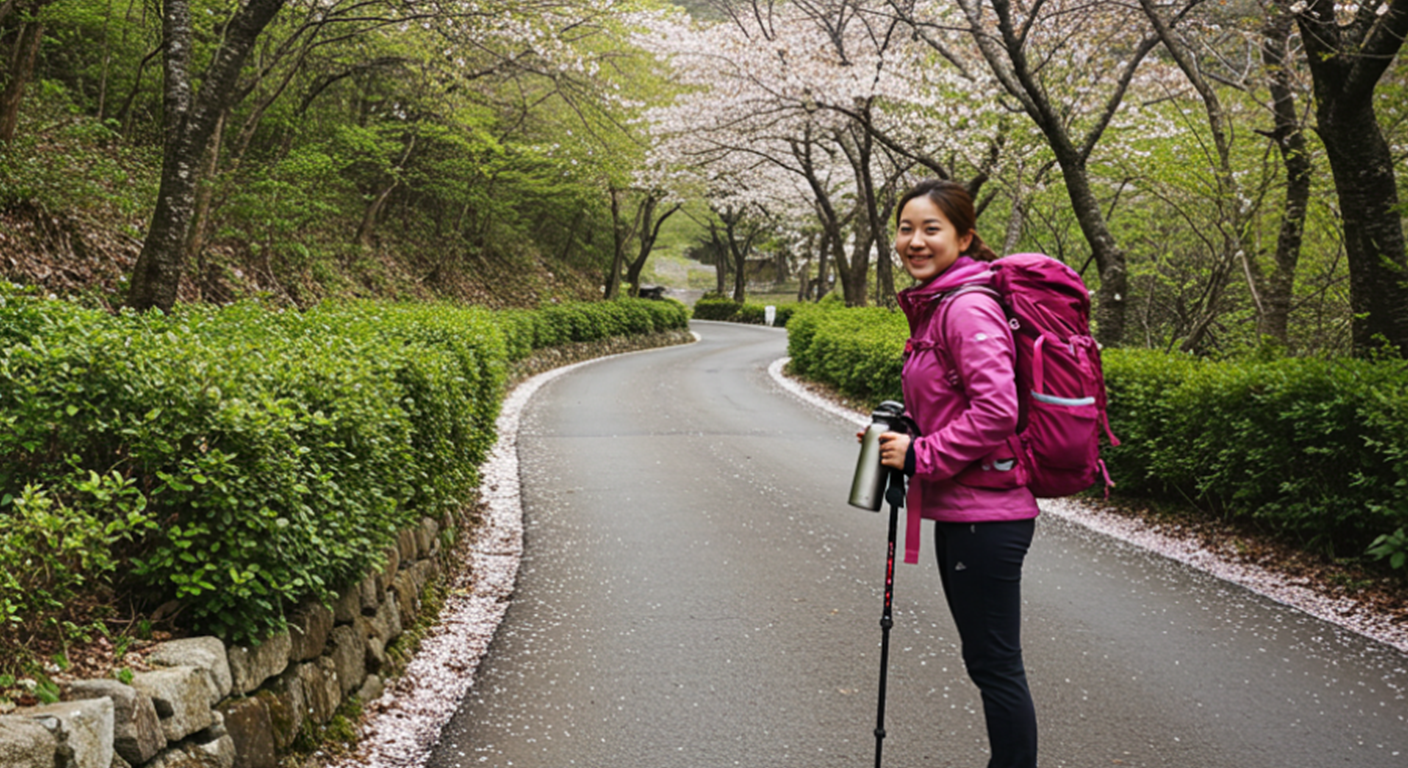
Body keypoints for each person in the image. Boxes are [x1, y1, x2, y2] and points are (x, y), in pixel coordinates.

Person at [874, 178, 1040, 768]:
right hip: (969, 510)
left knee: (996, 665)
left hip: (988, 515)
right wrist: (911, 435)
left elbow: (998, 410)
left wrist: (922, 455)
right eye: (905, 228)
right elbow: (958, 402)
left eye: (931, 229)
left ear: (965, 237)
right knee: (989, 662)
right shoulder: (942, 304)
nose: (914, 242)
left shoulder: (966, 307)